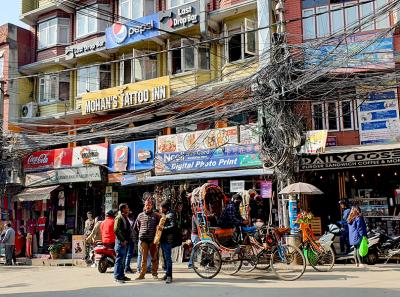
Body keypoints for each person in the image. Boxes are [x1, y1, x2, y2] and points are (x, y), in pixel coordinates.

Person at [134, 199, 160, 280]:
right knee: (143, 258)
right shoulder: (140, 215)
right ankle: (142, 274)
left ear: (152, 206)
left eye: (149, 205)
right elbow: (137, 227)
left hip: (153, 241)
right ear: (144, 206)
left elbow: (159, 228)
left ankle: (154, 273)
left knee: (154, 258)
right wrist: (141, 234)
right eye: (146, 205)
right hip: (143, 240)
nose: (147, 206)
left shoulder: (156, 216)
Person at [113, 204, 131, 283]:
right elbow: (116, 229)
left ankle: (121, 275)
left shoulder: (124, 217)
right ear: (123, 209)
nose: (128, 209)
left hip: (124, 242)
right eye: (127, 208)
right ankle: (117, 277)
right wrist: (122, 240)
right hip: (120, 242)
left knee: (122, 260)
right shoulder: (119, 217)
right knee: (119, 259)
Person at [159, 201, 176, 284]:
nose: (160, 209)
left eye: (161, 207)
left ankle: (169, 276)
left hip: (167, 240)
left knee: (168, 258)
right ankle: (167, 273)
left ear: (164, 208)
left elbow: (173, 226)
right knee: (165, 258)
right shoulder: (166, 214)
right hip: (163, 239)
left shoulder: (171, 215)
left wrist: (163, 228)